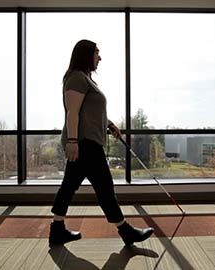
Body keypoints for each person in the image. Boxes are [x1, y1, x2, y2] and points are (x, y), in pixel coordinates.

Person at [49, 39, 154, 247]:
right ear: (86, 54)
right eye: (97, 53)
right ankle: (125, 231)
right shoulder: (76, 78)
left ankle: (57, 229)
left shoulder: (86, 79)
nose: (100, 57)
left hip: (87, 141)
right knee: (105, 188)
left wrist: (109, 124)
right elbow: (73, 112)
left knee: (69, 186)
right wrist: (72, 141)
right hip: (84, 143)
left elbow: (90, 112)